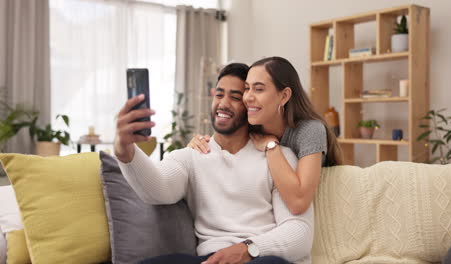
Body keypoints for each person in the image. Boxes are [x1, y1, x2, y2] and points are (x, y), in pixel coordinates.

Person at [114, 63, 314, 264]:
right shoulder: (191, 155)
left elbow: (300, 232)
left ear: (250, 105)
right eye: (219, 95)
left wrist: (247, 249)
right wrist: (125, 149)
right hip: (211, 259)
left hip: (259, 257)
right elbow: (156, 190)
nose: (223, 104)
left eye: (235, 97)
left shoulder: (277, 155)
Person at [189, 57, 342, 215]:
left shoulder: (310, 130)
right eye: (247, 88)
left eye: (259, 89)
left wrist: (271, 147)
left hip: (313, 216)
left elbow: (299, 203)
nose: (248, 97)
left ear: (284, 96)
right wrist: (196, 145)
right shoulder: (252, 126)